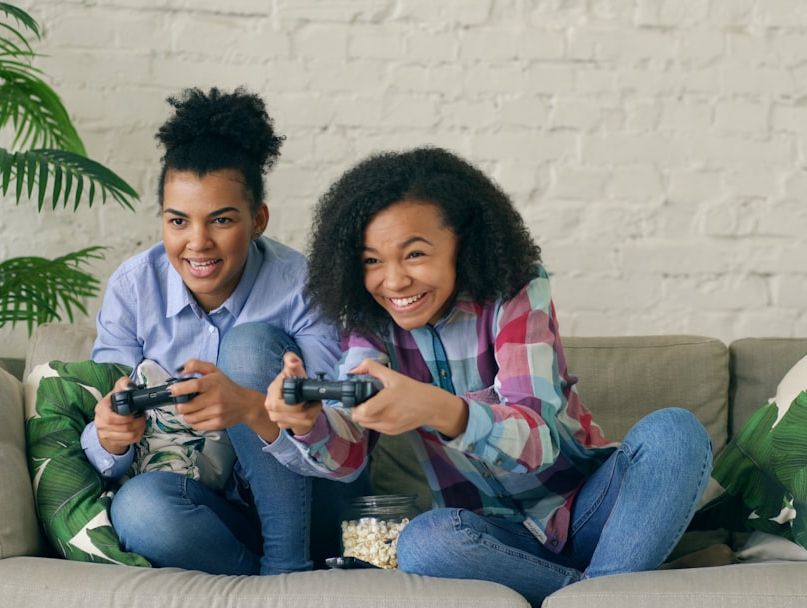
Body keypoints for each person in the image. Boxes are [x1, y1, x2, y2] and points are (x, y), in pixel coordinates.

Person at [264, 146, 713, 606]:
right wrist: (308, 424)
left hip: (592, 509)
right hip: (496, 542)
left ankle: (599, 586)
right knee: (422, 542)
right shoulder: (369, 323)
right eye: (372, 261)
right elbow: (348, 455)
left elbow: (537, 441)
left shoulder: (513, 293)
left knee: (675, 433)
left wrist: (438, 408)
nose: (394, 281)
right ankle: (607, 589)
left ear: (462, 243)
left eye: (414, 254)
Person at [84, 86, 368, 576]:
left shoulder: (302, 285)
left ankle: (287, 572)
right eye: (178, 221)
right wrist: (111, 436)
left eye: (221, 220)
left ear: (258, 220)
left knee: (249, 347)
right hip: (217, 516)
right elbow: (103, 422)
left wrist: (253, 407)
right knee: (139, 509)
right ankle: (260, 580)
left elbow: (344, 439)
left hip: (315, 506)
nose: (197, 243)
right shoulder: (133, 289)